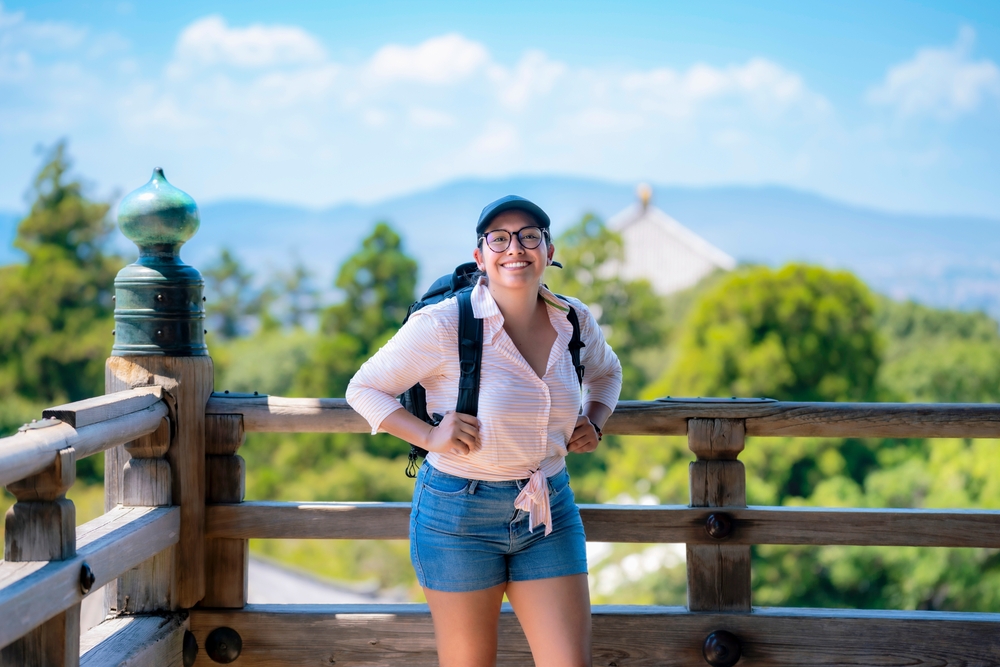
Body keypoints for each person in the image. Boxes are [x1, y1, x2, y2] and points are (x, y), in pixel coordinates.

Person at [346, 195, 622, 667]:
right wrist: (428, 437)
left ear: (549, 251)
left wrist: (594, 420)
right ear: (481, 256)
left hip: (546, 508)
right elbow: (364, 388)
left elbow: (607, 373)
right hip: (458, 515)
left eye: (529, 236)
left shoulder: (572, 319)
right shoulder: (443, 323)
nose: (515, 248)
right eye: (499, 238)